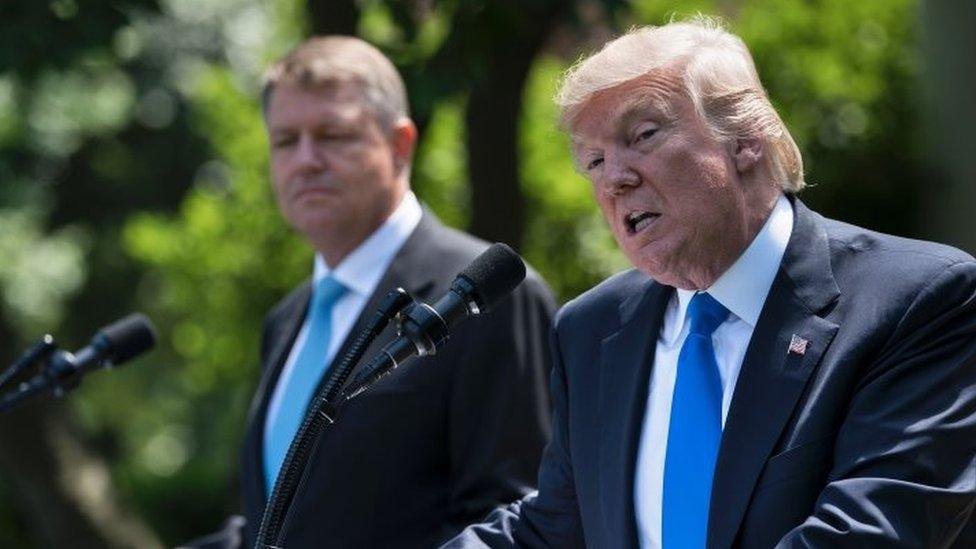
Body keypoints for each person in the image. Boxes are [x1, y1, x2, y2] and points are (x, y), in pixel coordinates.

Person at [446, 17, 976, 549]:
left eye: (644, 135)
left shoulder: (917, 300)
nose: (614, 179)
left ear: (745, 137)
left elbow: (871, 532)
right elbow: (554, 529)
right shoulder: (592, 328)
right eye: (595, 160)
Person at [185, 36, 557, 549]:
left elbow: (519, 517)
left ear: (400, 144)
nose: (306, 160)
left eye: (333, 135)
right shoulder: (286, 319)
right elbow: (279, 525)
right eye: (285, 140)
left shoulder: (486, 296)